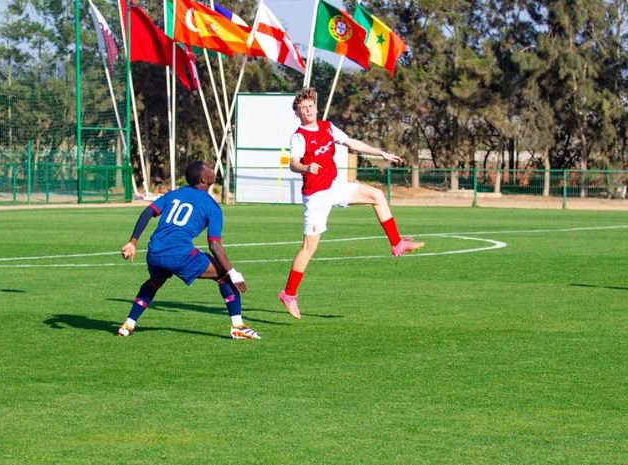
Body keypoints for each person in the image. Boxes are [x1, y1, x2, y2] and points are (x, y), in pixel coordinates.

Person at [277, 87, 425, 319]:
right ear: (297, 113)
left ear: (316, 107)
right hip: (316, 197)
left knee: (377, 195)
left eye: (309, 106)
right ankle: (289, 294)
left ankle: (397, 244)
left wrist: (381, 153)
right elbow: (293, 163)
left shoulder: (327, 127)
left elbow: (351, 142)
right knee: (309, 248)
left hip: (334, 187)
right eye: (302, 109)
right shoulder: (298, 136)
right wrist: (305, 167)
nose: (307, 111)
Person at [118, 161, 260, 339]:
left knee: (154, 282)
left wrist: (132, 242)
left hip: (154, 252)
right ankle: (238, 326)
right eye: (208, 167)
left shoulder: (174, 194)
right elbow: (214, 245)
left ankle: (128, 325)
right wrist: (232, 271)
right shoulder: (212, 206)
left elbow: (148, 212)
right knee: (224, 275)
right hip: (179, 254)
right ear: (203, 178)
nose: (212, 168)